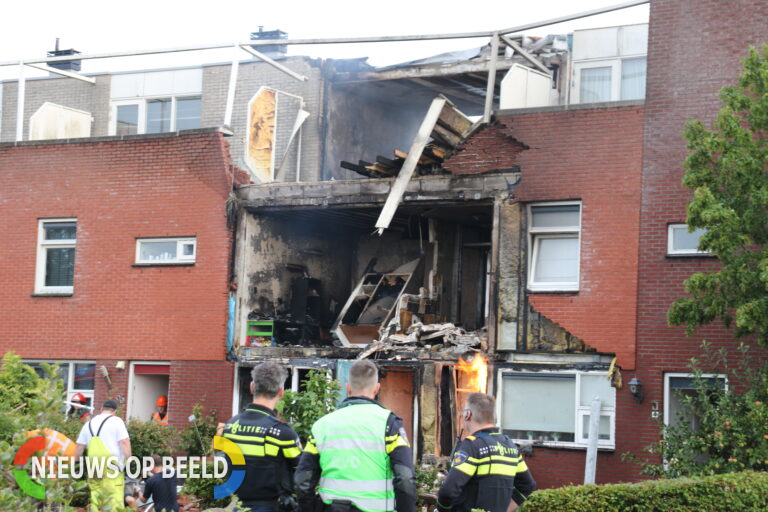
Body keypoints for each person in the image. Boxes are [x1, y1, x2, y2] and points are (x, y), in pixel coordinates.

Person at [294, 360, 416, 512]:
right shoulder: (389, 424)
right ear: (377, 388)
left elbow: (303, 480)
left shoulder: (322, 425)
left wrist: (310, 508)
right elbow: (405, 477)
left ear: (348, 388)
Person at [222, 362, 302, 512]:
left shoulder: (230, 425)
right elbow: (302, 469)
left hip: (237, 506)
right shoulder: (282, 433)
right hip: (271, 506)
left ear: (252, 387)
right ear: (281, 391)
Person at [437, 393, 536, 512]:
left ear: (468, 414)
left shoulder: (472, 445)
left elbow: (448, 490)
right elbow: (528, 485)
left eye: (463, 412)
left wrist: (442, 509)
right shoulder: (510, 446)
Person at [75, 399, 132, 512]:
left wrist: (76, 464)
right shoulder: (116, 421)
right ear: (115, 411)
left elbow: (79, 446)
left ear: (101, 409)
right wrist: (129, 460)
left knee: (95, 495)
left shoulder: (89, 424)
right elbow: (124, 442)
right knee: (113, 498)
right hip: (112, 467)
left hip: (94, 466)